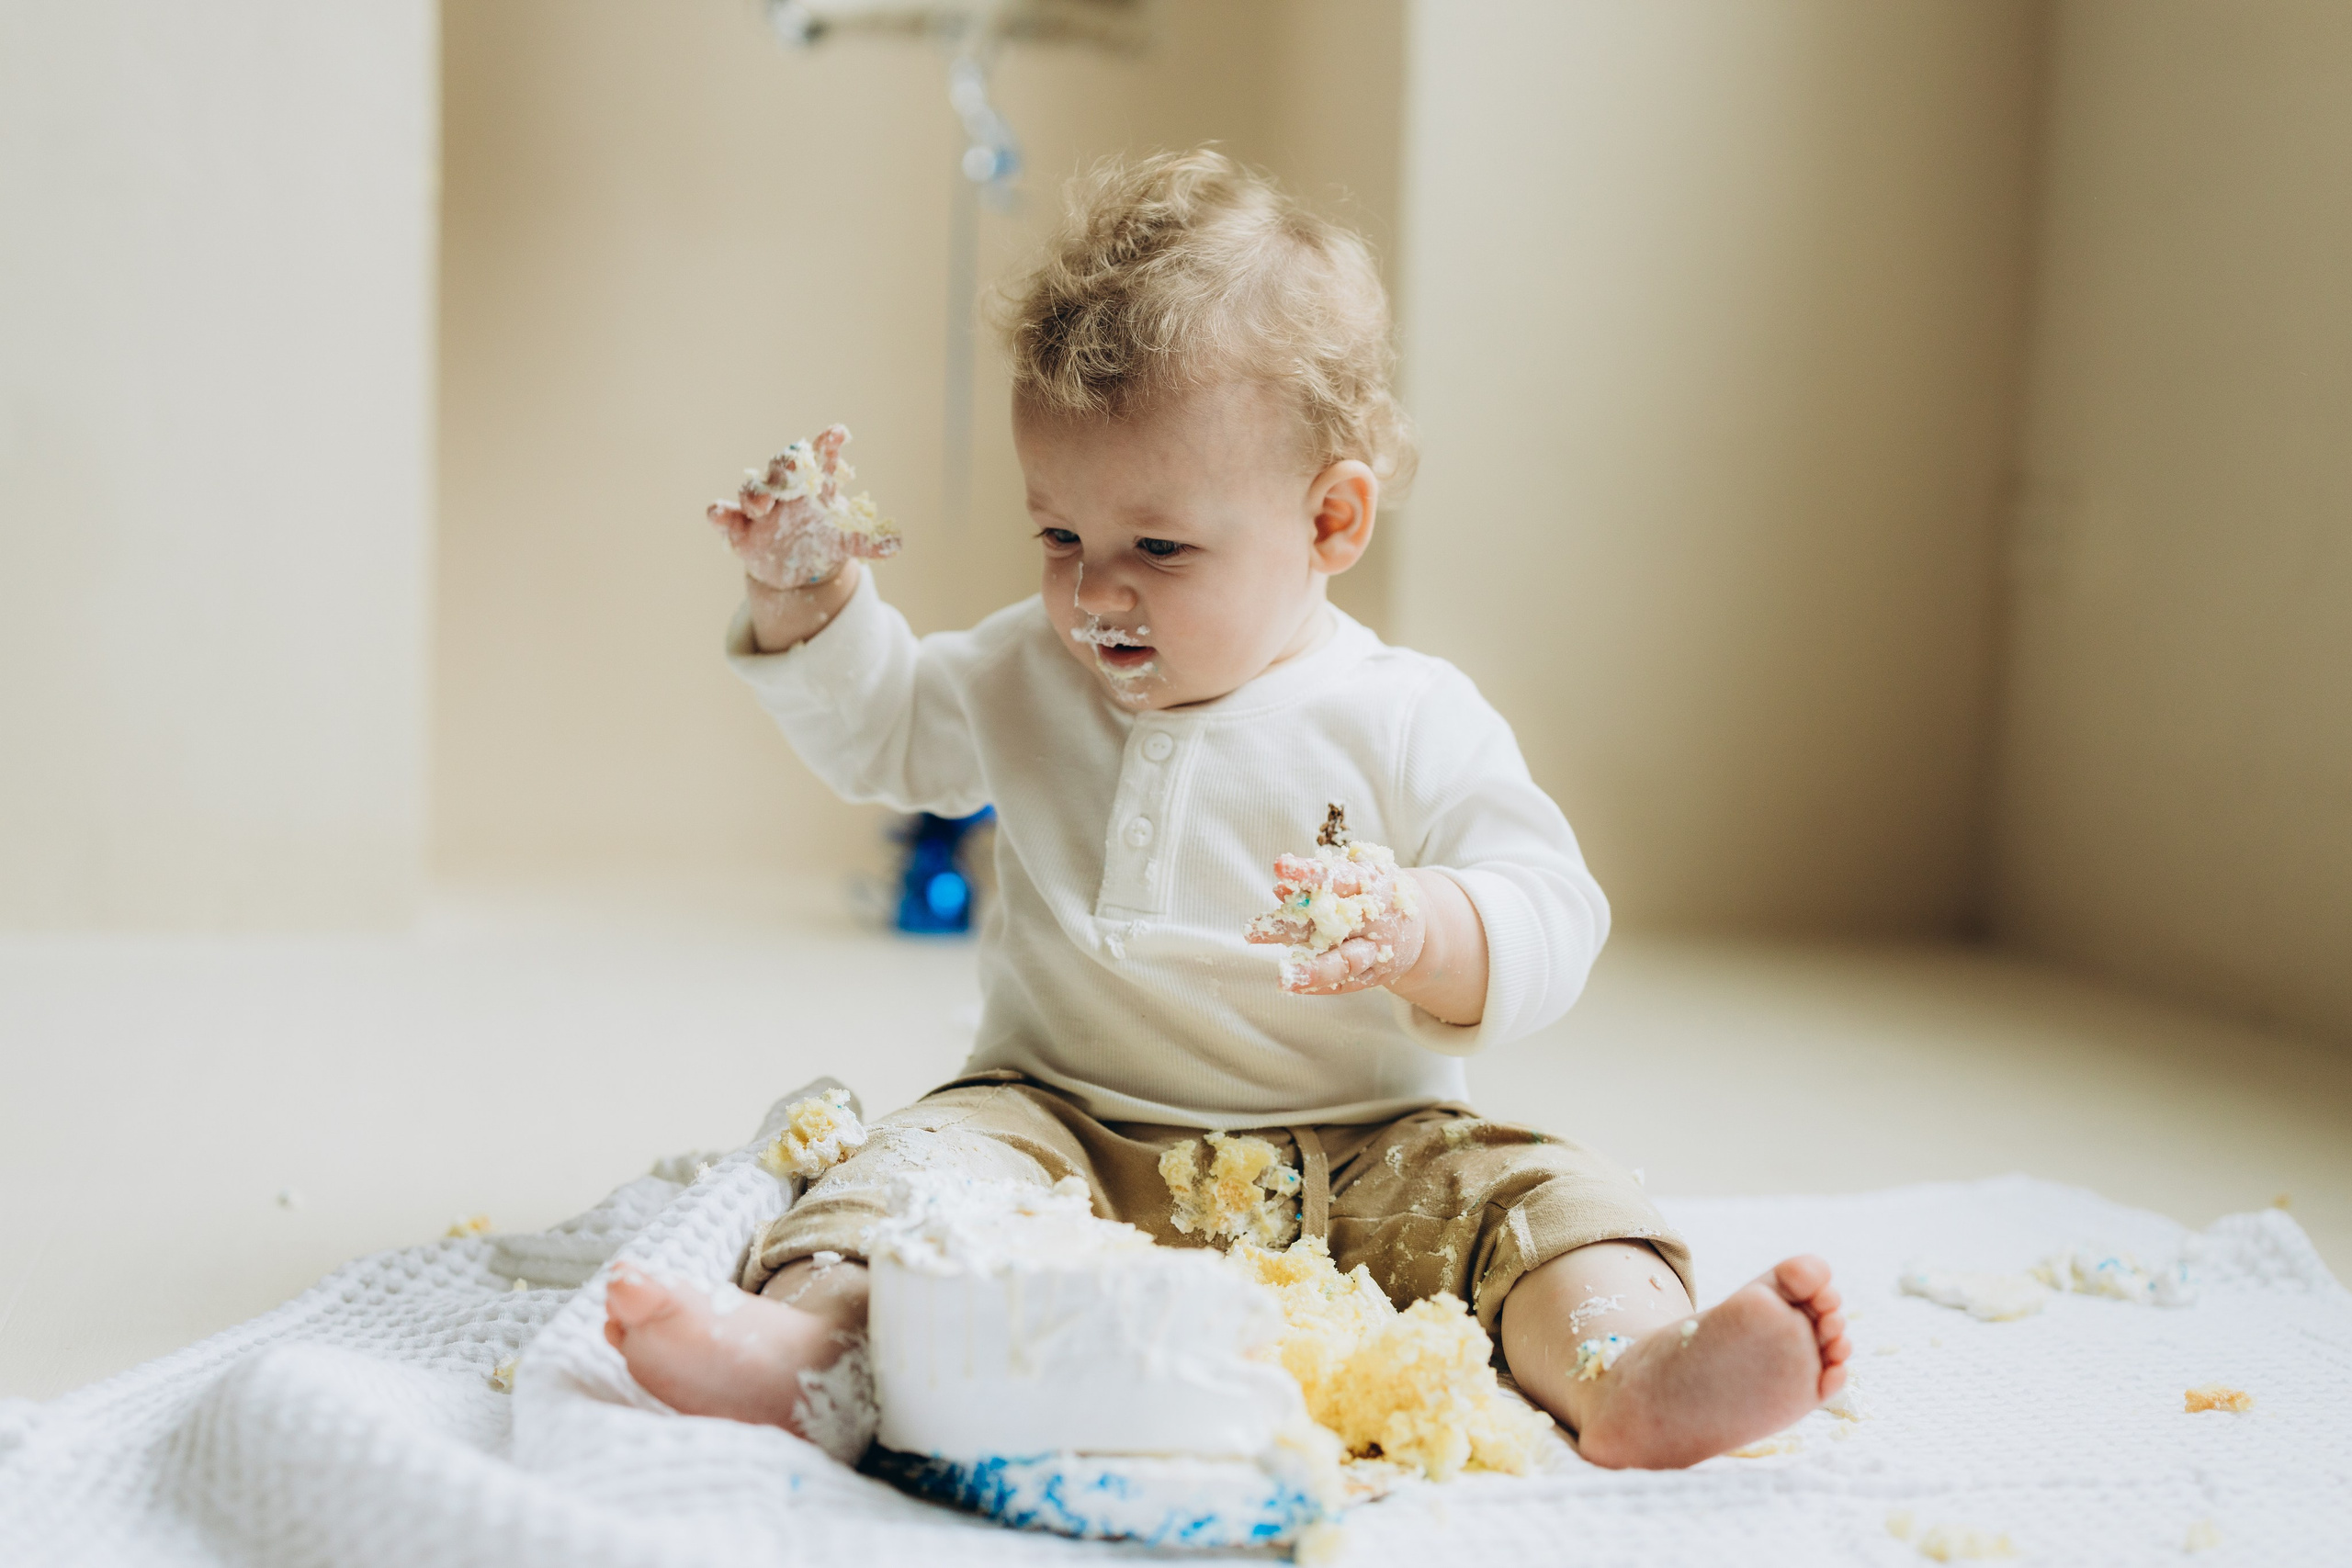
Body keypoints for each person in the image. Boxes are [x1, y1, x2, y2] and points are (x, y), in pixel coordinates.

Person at [604, 149, 1848, 1469]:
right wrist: (810, 603)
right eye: (1059, 536)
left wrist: (1429, 926)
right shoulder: (1029, 668)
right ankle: (820, 1351)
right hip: (1055, 1122)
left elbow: (1552, 907)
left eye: (1158, 547)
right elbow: (889, 731)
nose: (1095, 594)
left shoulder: (1405, 715)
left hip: (1367, 1152)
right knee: (901, 1175)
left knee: (1542, 1203)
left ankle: (1629, 1368)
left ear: (1331, 521)